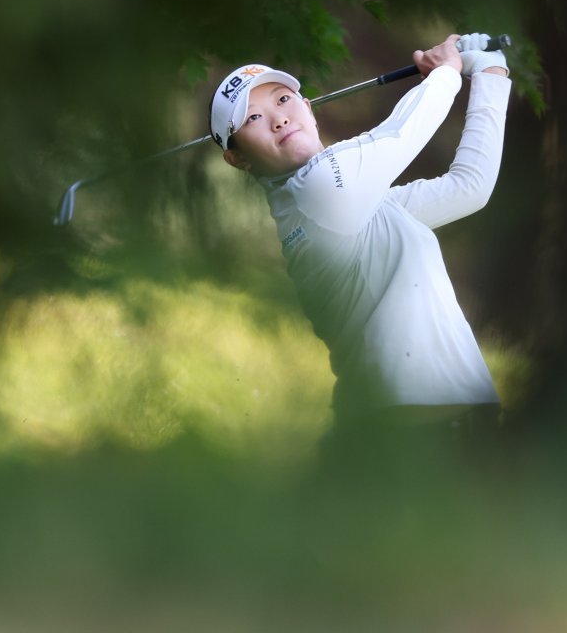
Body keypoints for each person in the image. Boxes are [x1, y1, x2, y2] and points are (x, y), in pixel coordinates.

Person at [209, 33, 511, 449]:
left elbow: (469, 187)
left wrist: (491, 71)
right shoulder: (317, 192)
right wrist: (445, 71)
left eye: (281, 100)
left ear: (309, 110)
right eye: (252, 119)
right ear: (237, 157)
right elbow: (399, 135)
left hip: (442, 432)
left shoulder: (346, 208)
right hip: (412, 438)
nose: (278, 119)